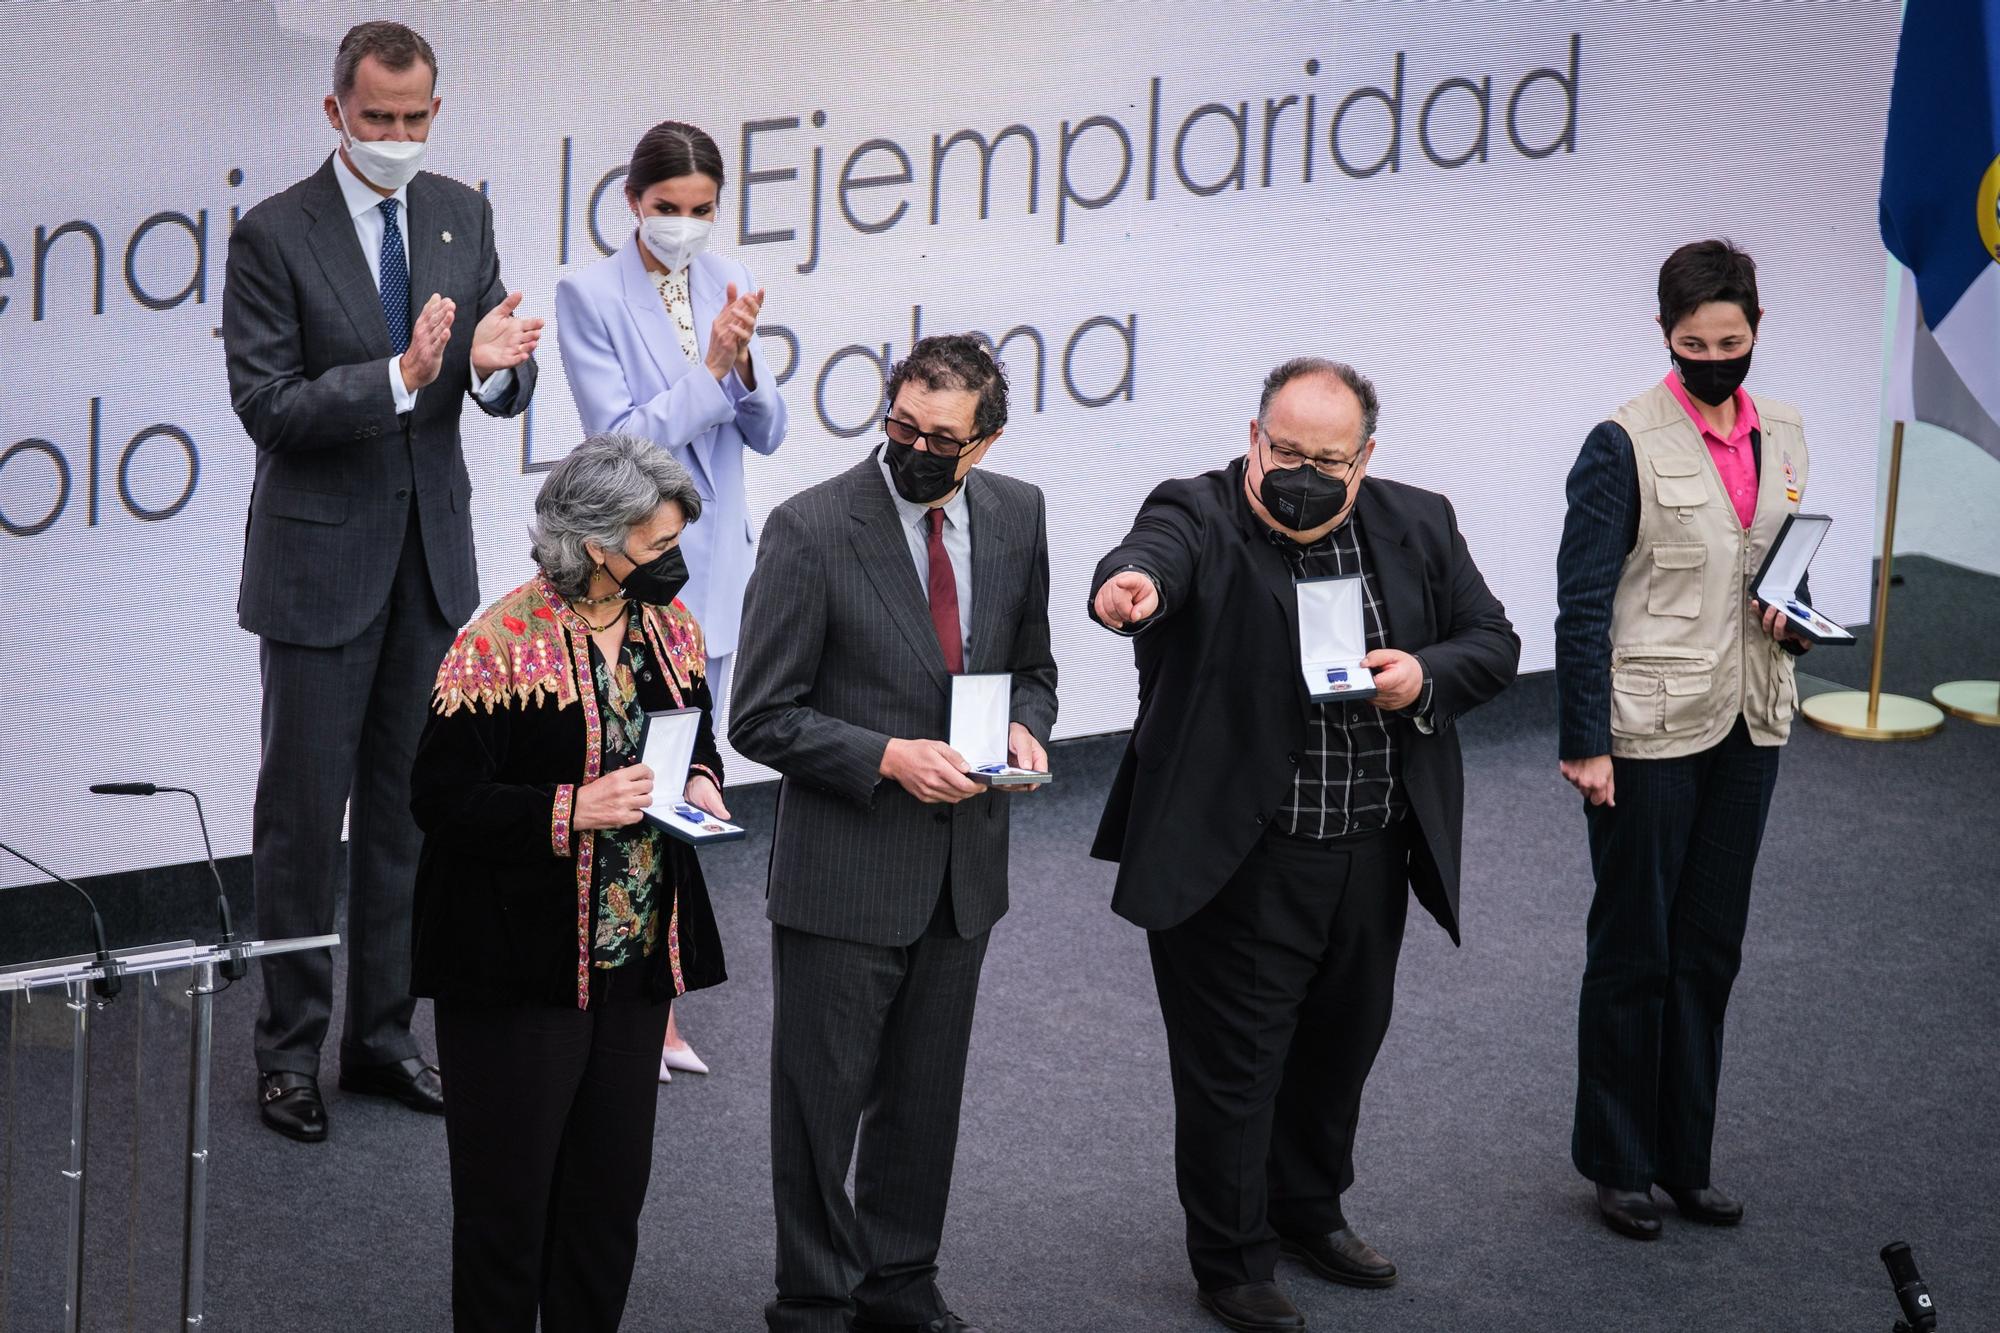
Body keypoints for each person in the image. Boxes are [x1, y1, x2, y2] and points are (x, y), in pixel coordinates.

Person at [1089, 358, 1518, 1333]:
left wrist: (1422, 674)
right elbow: (1146, 555)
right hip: (1235, 856)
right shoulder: (1196, 511)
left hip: (1368, 848)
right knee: (1233, 1066)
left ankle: (1306, 1210)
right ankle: (1231, 1258)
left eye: (1326, 458)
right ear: (1253, 438)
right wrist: (1128, 587)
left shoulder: (1418, 522)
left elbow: (1491, 642)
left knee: (1338, 1046)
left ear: (1362, 458)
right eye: (1284, 450)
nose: (1301, 471)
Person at [222, 19, 540, 1142]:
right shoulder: (272, 234)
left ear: (434, 113)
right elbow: (268, 406)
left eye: (414, 119)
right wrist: (398, 379)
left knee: (412, 817)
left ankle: (381, 1039)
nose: (398, 137)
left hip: (431, 567)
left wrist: (499, 377)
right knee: (303, 825)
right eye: (377, 120)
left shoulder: (463, 209)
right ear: (334, 113)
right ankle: (288, 1054)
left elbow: (498, 369)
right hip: (317, 569)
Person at [731, 334, 1058, 1333]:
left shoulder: (1017, 513)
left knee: (924, 1097)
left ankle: (899, 1279)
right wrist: (885, 755)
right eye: (901, 425)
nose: (913, 447)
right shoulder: (811, 528)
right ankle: (814, 1299)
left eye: (940, 437)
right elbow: (760, 714)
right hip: (845, 871)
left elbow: (1034, 666)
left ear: (986, 441)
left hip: (964, 869)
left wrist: (1024, 728)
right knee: (820, 1107)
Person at [409, 432, 730, 1330]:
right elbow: (440, 797)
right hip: (516, 968)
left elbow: (695, 737)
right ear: (599, 546)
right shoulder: (496, 642)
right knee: (507, 1209)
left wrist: (703, 779)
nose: (675, 562)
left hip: (633, 963)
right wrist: (572, 808)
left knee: (605, 1203)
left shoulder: (672, 629)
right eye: (659, 545)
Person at [1555, 239, 1813, 1241]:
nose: (1714, 356)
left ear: (1754, 330)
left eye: (1731, 339)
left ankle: (1682, 1159)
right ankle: (1616, 1162)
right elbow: (1581, 601)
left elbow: (1780, 563)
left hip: (1752, 716)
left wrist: (1795, 612)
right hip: (1645, 728)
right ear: (1665, 336)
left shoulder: (1783, 432)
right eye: (1692, 341)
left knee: (1707, 946)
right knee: (1635, 948)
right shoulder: (1619, 441)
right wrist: (1583, 738)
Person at [557, 118, 787, 1081]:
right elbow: (620, 443)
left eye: (701, 210)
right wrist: (709, 372)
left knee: (693, 778)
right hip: (637, 570)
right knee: (633, 780)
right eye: (667, 209)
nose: (685, 226)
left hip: (719, 573)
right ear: (632, 202)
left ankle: (660, 1002)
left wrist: (744, 361)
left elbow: (768, 430)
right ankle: (626, 1001)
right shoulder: (589, 294)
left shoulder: (725, 277)